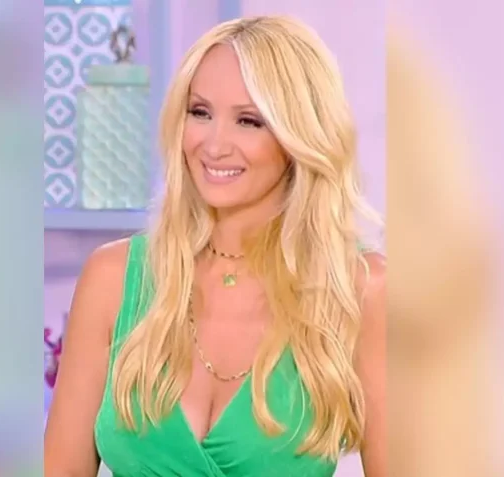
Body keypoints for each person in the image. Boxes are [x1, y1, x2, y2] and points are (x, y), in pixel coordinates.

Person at [45, 15, 385, 477]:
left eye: (249, 121)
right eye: (200, 112)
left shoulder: (362, 290)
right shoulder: (113, 278)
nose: (214, 144)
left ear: (298, 136)